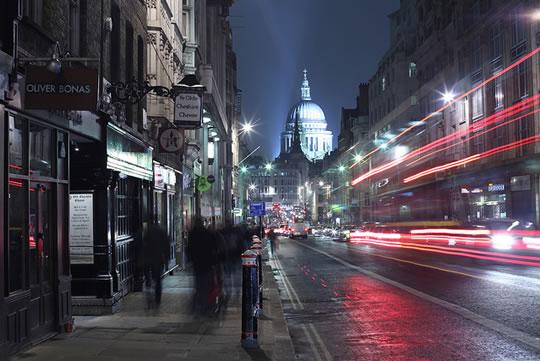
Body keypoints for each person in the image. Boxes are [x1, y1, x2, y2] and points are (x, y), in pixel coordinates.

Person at [142, 220, 170, 308]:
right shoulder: (162, 231)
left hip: (148, 259)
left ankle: (149, 296)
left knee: (148, 279)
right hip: (158, 259)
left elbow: (144, 245)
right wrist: (166, 260)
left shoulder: (147, 231)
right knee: (158, 280)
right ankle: (157, 299)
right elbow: (167, 246)